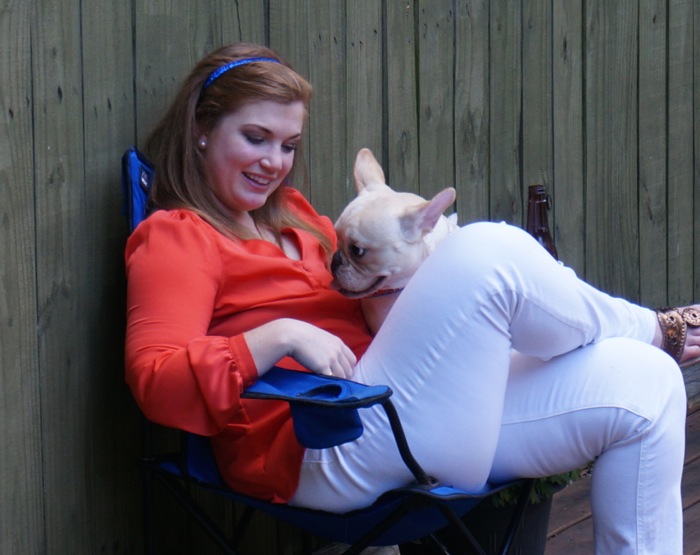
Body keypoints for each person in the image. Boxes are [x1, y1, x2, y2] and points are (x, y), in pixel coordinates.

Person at [125, 42, 699, 554]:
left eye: (289, 144)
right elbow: (155, 381)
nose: (274, 162)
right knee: (487, 249)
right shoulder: (178, 236)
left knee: (647, 382)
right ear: (201, 129)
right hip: (325, 440)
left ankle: (649, 340)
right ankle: (654, 325)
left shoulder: (301, 222)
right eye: (255, 138)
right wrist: (282, 335)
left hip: (412, 418)